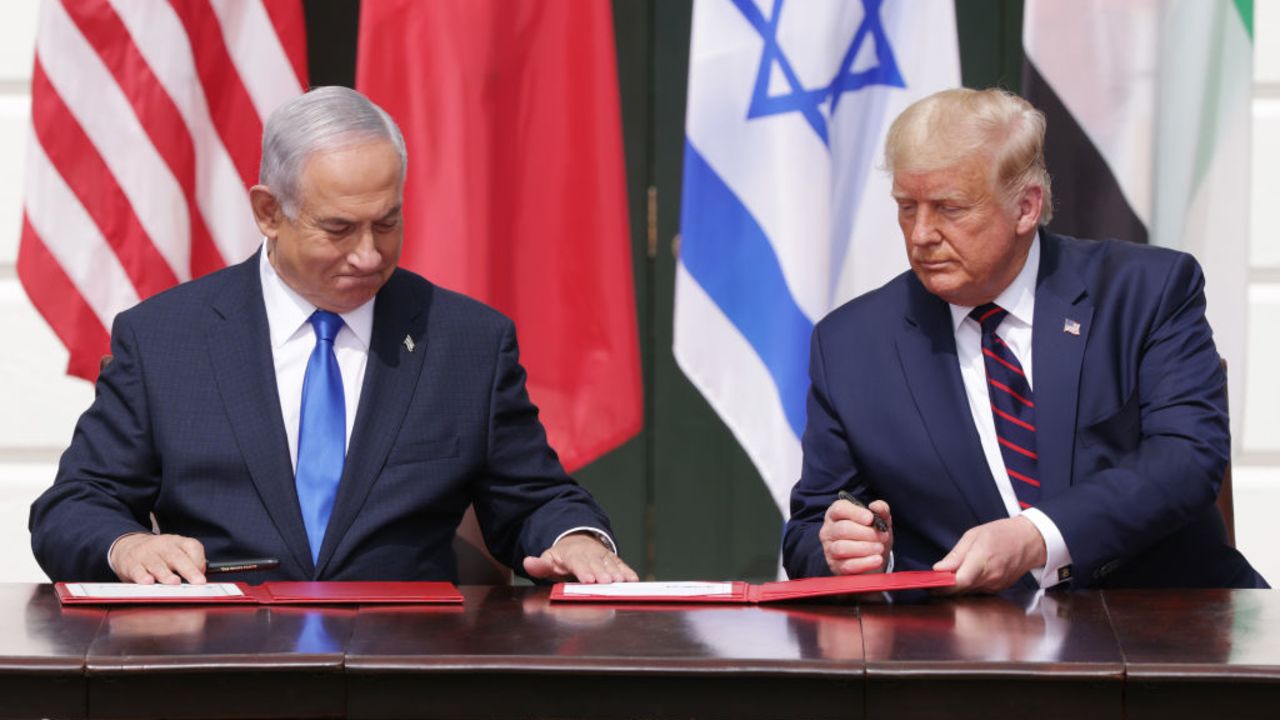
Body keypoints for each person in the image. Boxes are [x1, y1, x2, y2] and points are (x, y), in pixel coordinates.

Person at [29, 87, 638, 586]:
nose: (369, 255)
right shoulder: (166, 340)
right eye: (340, 229)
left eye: (387, 223)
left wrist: (574, 539)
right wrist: (127, 545)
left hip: (403, 673)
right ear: (269, 212)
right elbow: (74, 506)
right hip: (224, 670)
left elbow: (531, 496)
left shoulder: (465, 341)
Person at [782, 88, 1265, 592]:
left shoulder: (1145, 292)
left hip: (1167, 629)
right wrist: (843, 551)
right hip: (968, 652)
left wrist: (1038, 536)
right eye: (907, 207)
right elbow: (809, 531)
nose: (921, 233)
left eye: (949, 208)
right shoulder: (852, 346)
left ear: (1026, 208)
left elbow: (1188, 459)